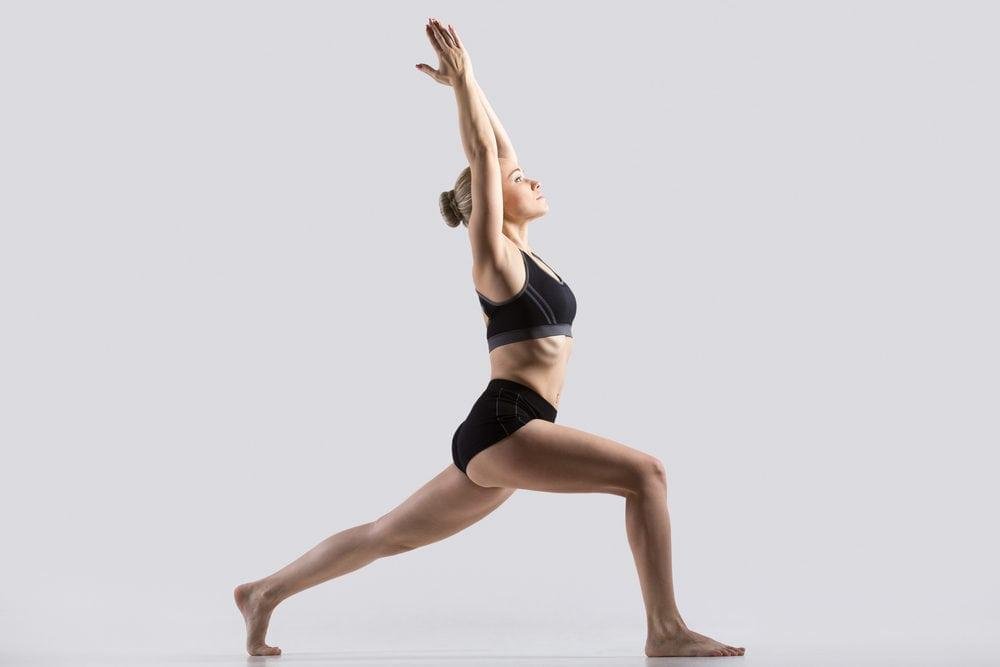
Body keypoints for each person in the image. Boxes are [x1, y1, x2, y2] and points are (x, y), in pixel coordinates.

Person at [234, 18, 746, 658]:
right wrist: (463, 83)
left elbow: (495, 152)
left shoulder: (533, 258)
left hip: (507, 429)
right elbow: (483, 156)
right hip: (507, 425)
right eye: (516, 178)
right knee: (647, 474)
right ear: (488, 206)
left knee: (386, 534)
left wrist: (472, 88)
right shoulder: (496, 263)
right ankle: (665, 630)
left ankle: (263, 593)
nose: (529, 175)